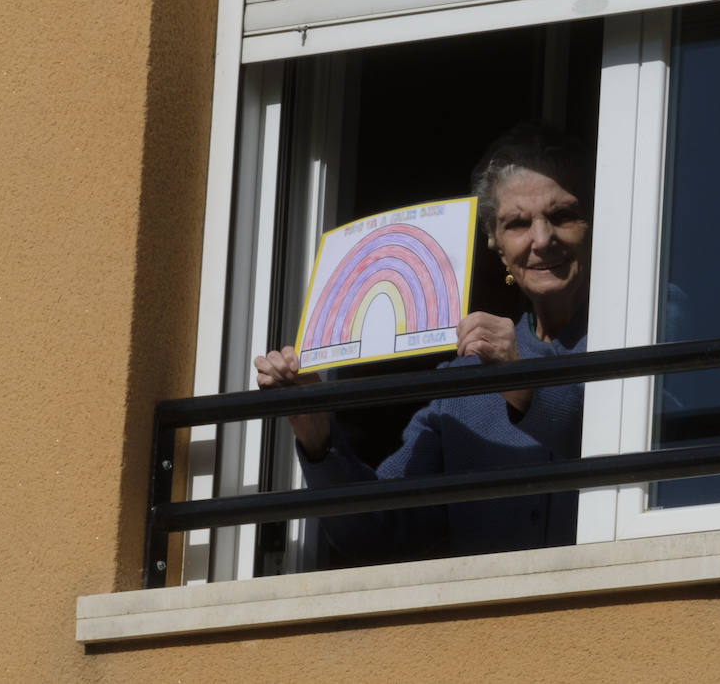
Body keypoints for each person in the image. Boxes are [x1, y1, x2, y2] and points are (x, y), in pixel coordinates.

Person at [254, 125, 592, 564]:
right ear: (495, 243)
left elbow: (655, 469)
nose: (542, 239)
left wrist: (523, 380)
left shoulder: (644, 330)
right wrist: (317, 438)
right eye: (518, 223)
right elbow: (374, 536)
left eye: (562, 215)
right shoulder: (462, 387)